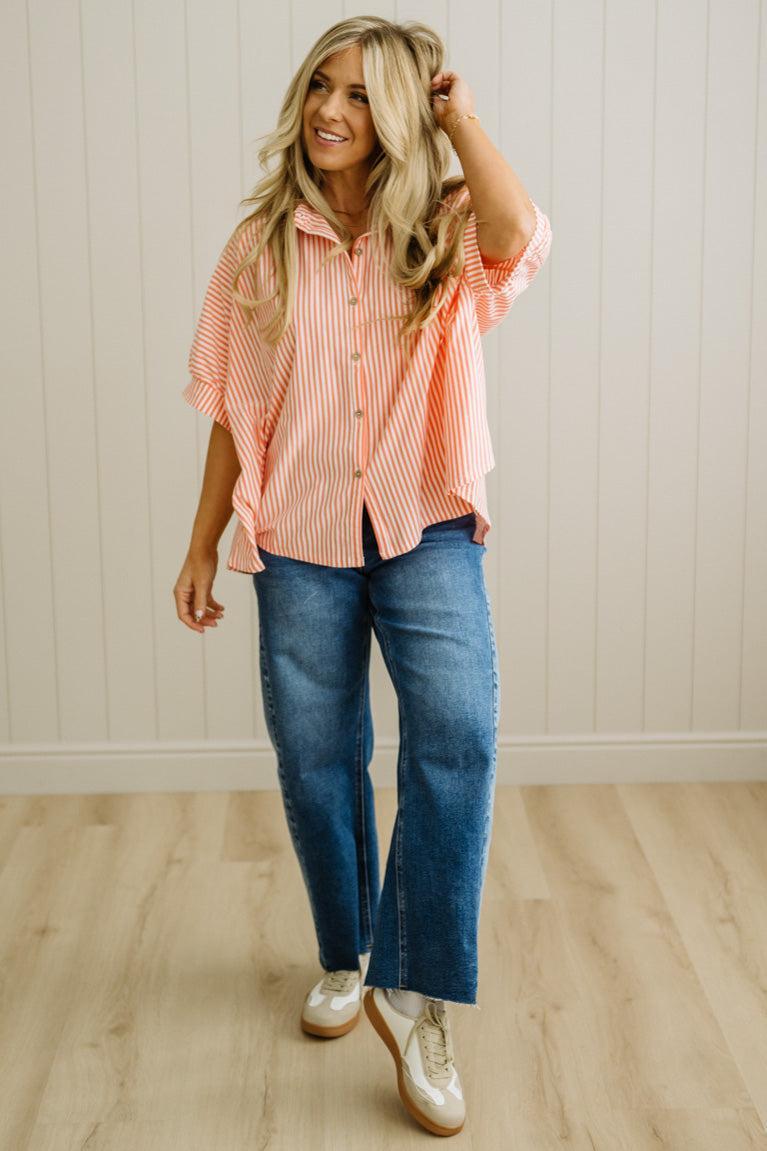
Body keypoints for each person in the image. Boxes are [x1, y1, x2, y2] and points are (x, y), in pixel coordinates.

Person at [173, 15, 552, 1138]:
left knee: (458, 730)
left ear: (393, 112)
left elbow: (520, 233)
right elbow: (237, 413)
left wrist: (458, 117)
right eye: (317, 88)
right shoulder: (257, 246)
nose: (328, 111)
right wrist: (200, 542)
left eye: (354, 94)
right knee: (317, 750)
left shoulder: (442, 231)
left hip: (423, 518)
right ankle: (344, 954)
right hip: (295, 531)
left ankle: (413, 987)